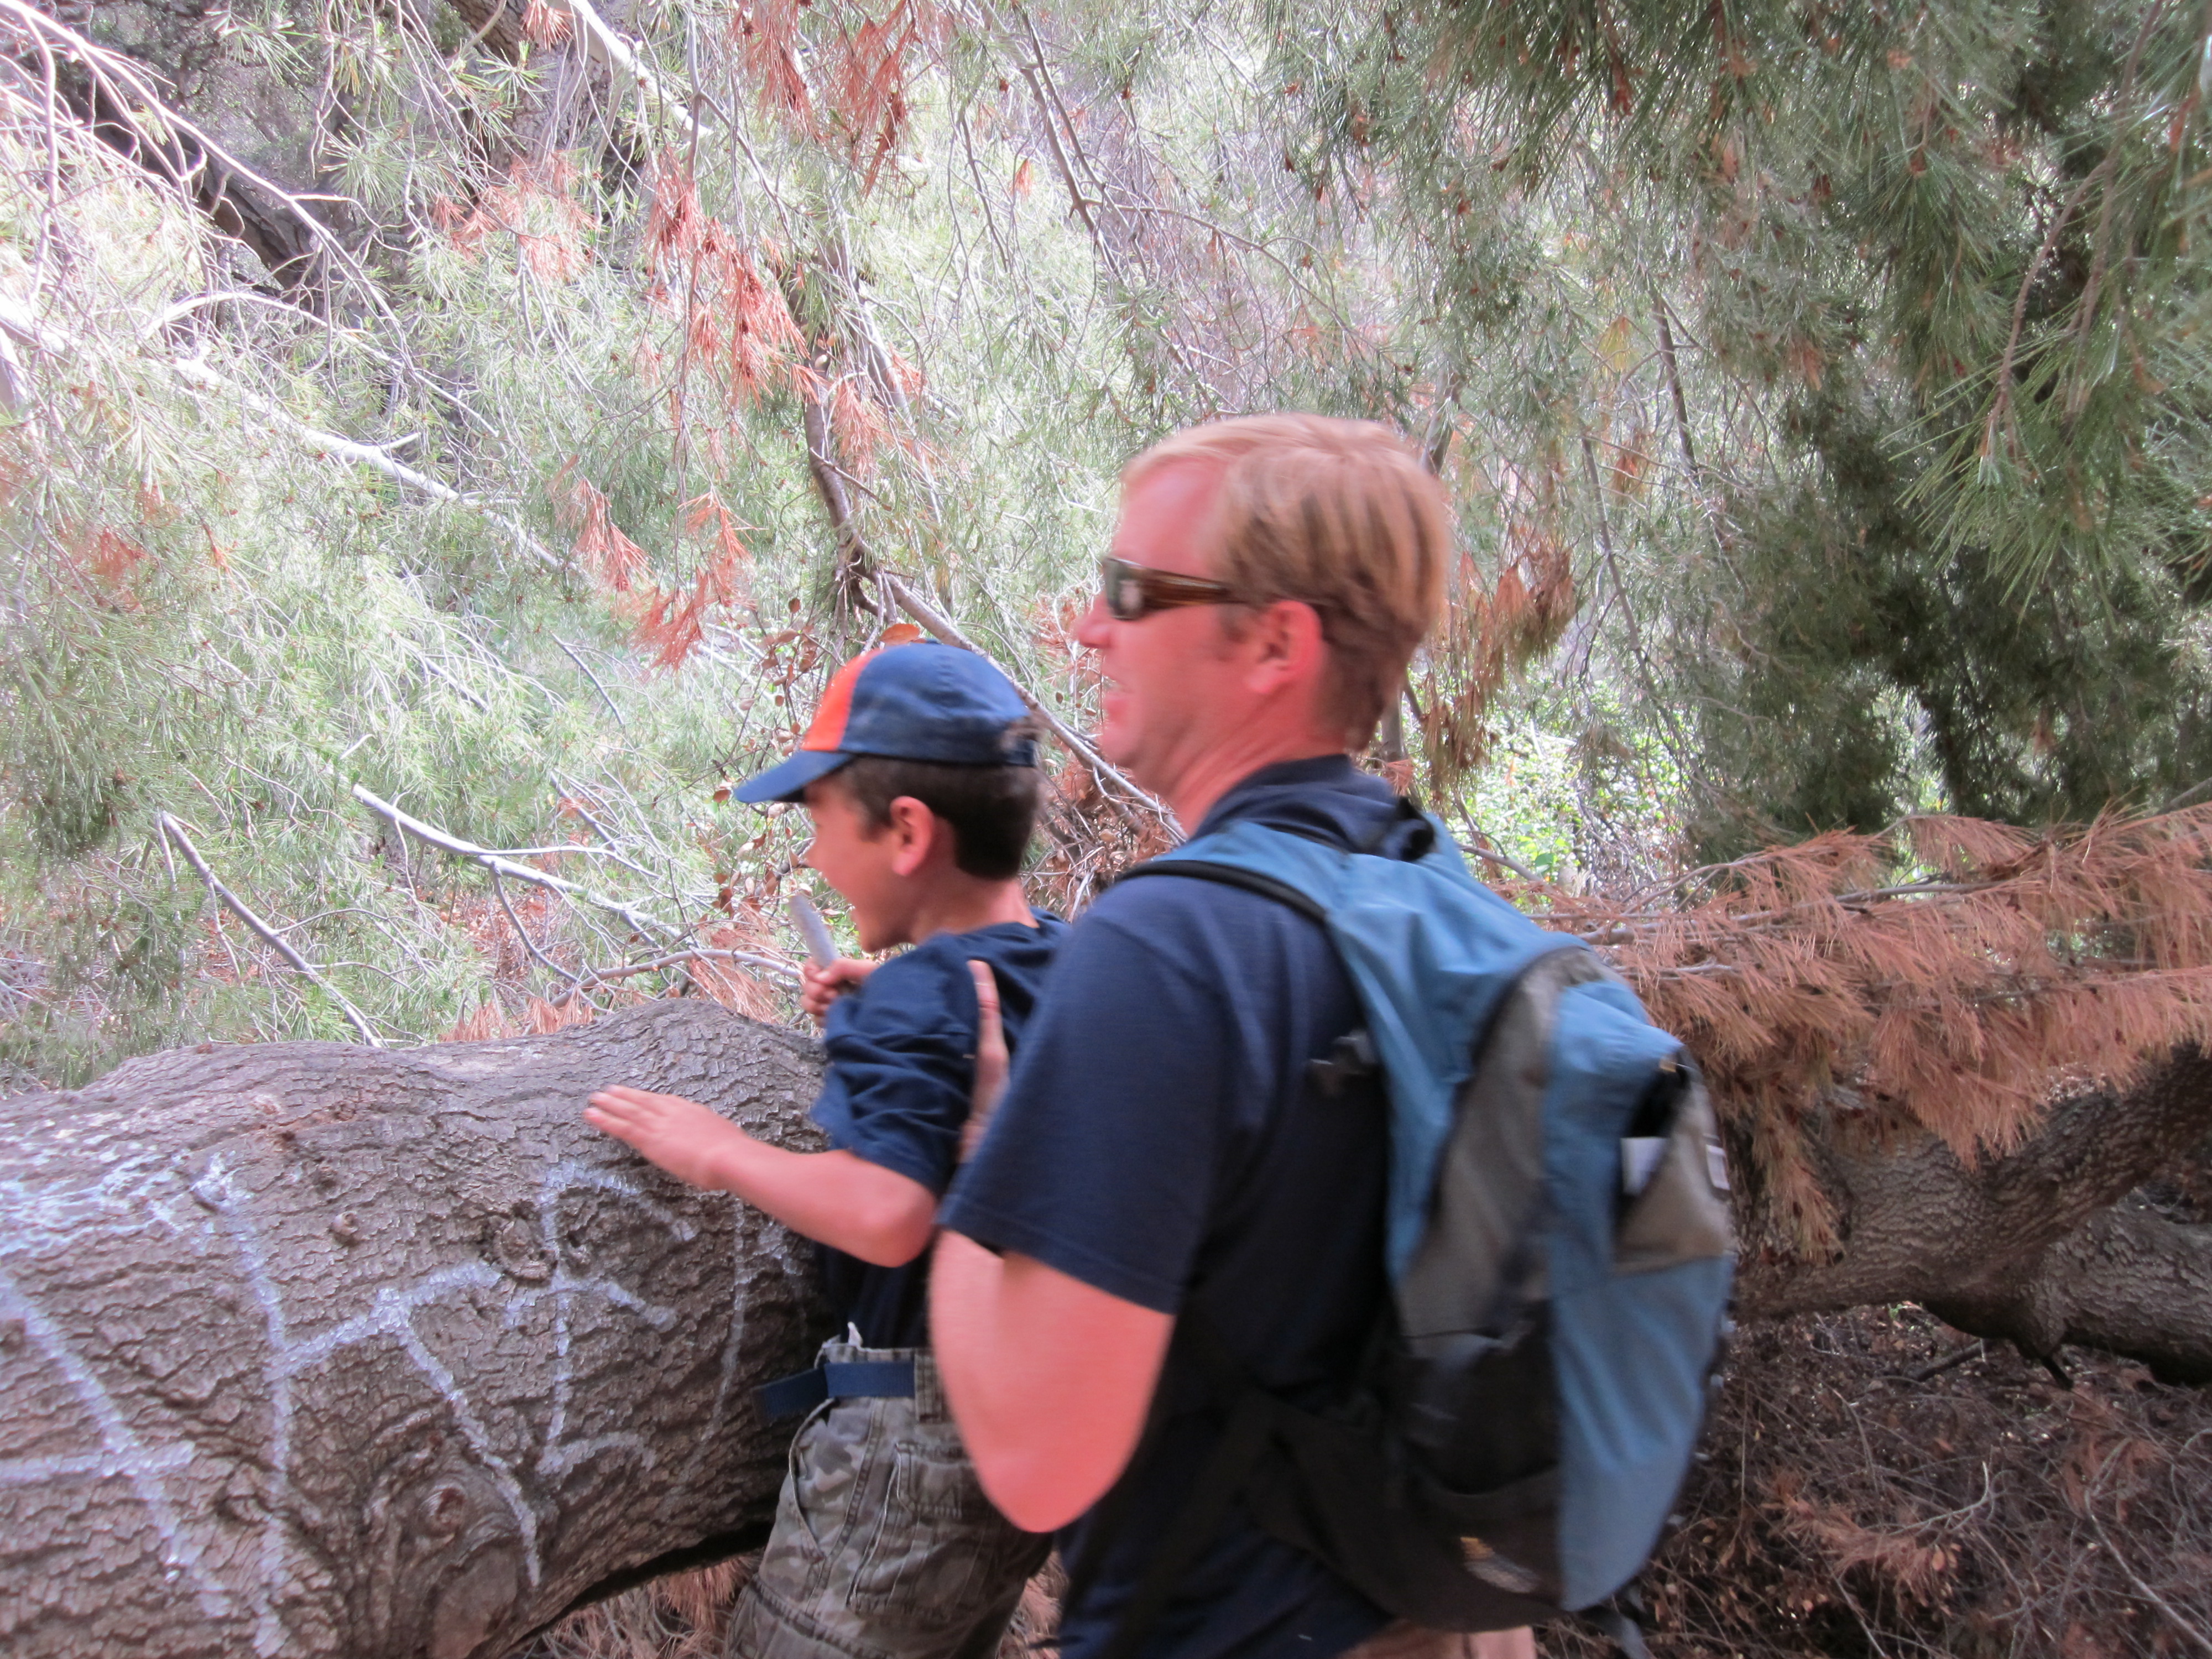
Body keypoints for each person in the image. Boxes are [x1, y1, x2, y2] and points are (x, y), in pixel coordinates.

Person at [929, 417, 1537, 1659]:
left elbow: (1036, 1462)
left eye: (1132, 590)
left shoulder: (1169, 949)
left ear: (1275, 644)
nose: (1089, 627)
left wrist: (969, 1180)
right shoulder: (1436, 894)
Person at [585, 641, 1058, 1659]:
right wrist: (889, 1009)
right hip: (1022, 1431)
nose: (810, 857)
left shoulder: (921, 999)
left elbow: (890, 1214)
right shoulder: (1060, 955)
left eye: (818, 821)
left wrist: (719, 1152)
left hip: (906, 1450)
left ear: (907, 831)